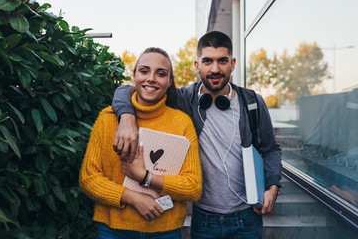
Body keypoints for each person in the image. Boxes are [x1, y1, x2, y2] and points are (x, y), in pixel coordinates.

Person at [112, 31, 282, 239]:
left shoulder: (253, 102)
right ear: (197, 65)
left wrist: (273, 186)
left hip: (247, 217)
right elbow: (127, 90)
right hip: (204, 220)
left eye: (222, 61)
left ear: (233, 64)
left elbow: (271, 149)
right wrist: (127, 117)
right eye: (207, 61)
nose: (215, 69)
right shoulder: (184, 99)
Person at [79, 47, 202, 239]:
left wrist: (144, 176)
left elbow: (193, 188)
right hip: (113, 231)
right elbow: (88, 178)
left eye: (161, 74)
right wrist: (132, 198)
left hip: (165, 231)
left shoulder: (181, 122)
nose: (151, 78)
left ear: (169, 82)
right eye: (144, 71)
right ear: (134, 75)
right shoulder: (107, 119)